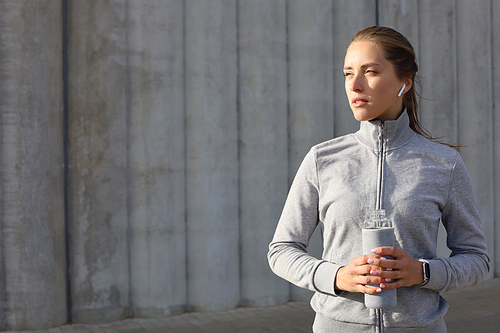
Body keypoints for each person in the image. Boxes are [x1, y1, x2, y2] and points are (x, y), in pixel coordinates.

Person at [267, 26, 490, 332]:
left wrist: (423, 272)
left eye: (370, 71)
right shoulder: (322, 159)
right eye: (348, 73)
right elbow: (282, 250)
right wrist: (336, 276)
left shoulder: (443, 163)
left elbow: (476, 259)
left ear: (404, 82)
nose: (355, 85)